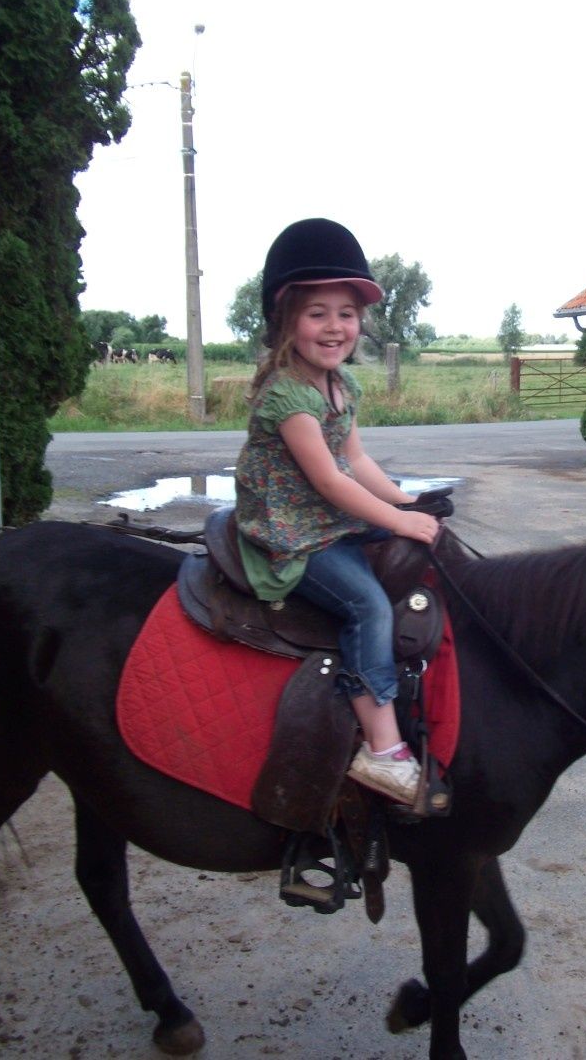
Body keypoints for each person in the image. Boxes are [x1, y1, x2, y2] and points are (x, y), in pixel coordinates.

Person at [234, 217, 439, 807]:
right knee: (366, 604)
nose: (334, 327)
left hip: (327, 514)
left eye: (346, 313)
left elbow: (356, 459)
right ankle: (383, 749)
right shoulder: (287, 394)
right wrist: (396, 519)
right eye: (317, 313)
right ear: (285, 319)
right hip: (295, 532)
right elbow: (328, 479)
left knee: (418, 549)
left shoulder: (339, 385)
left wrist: (406, 501)